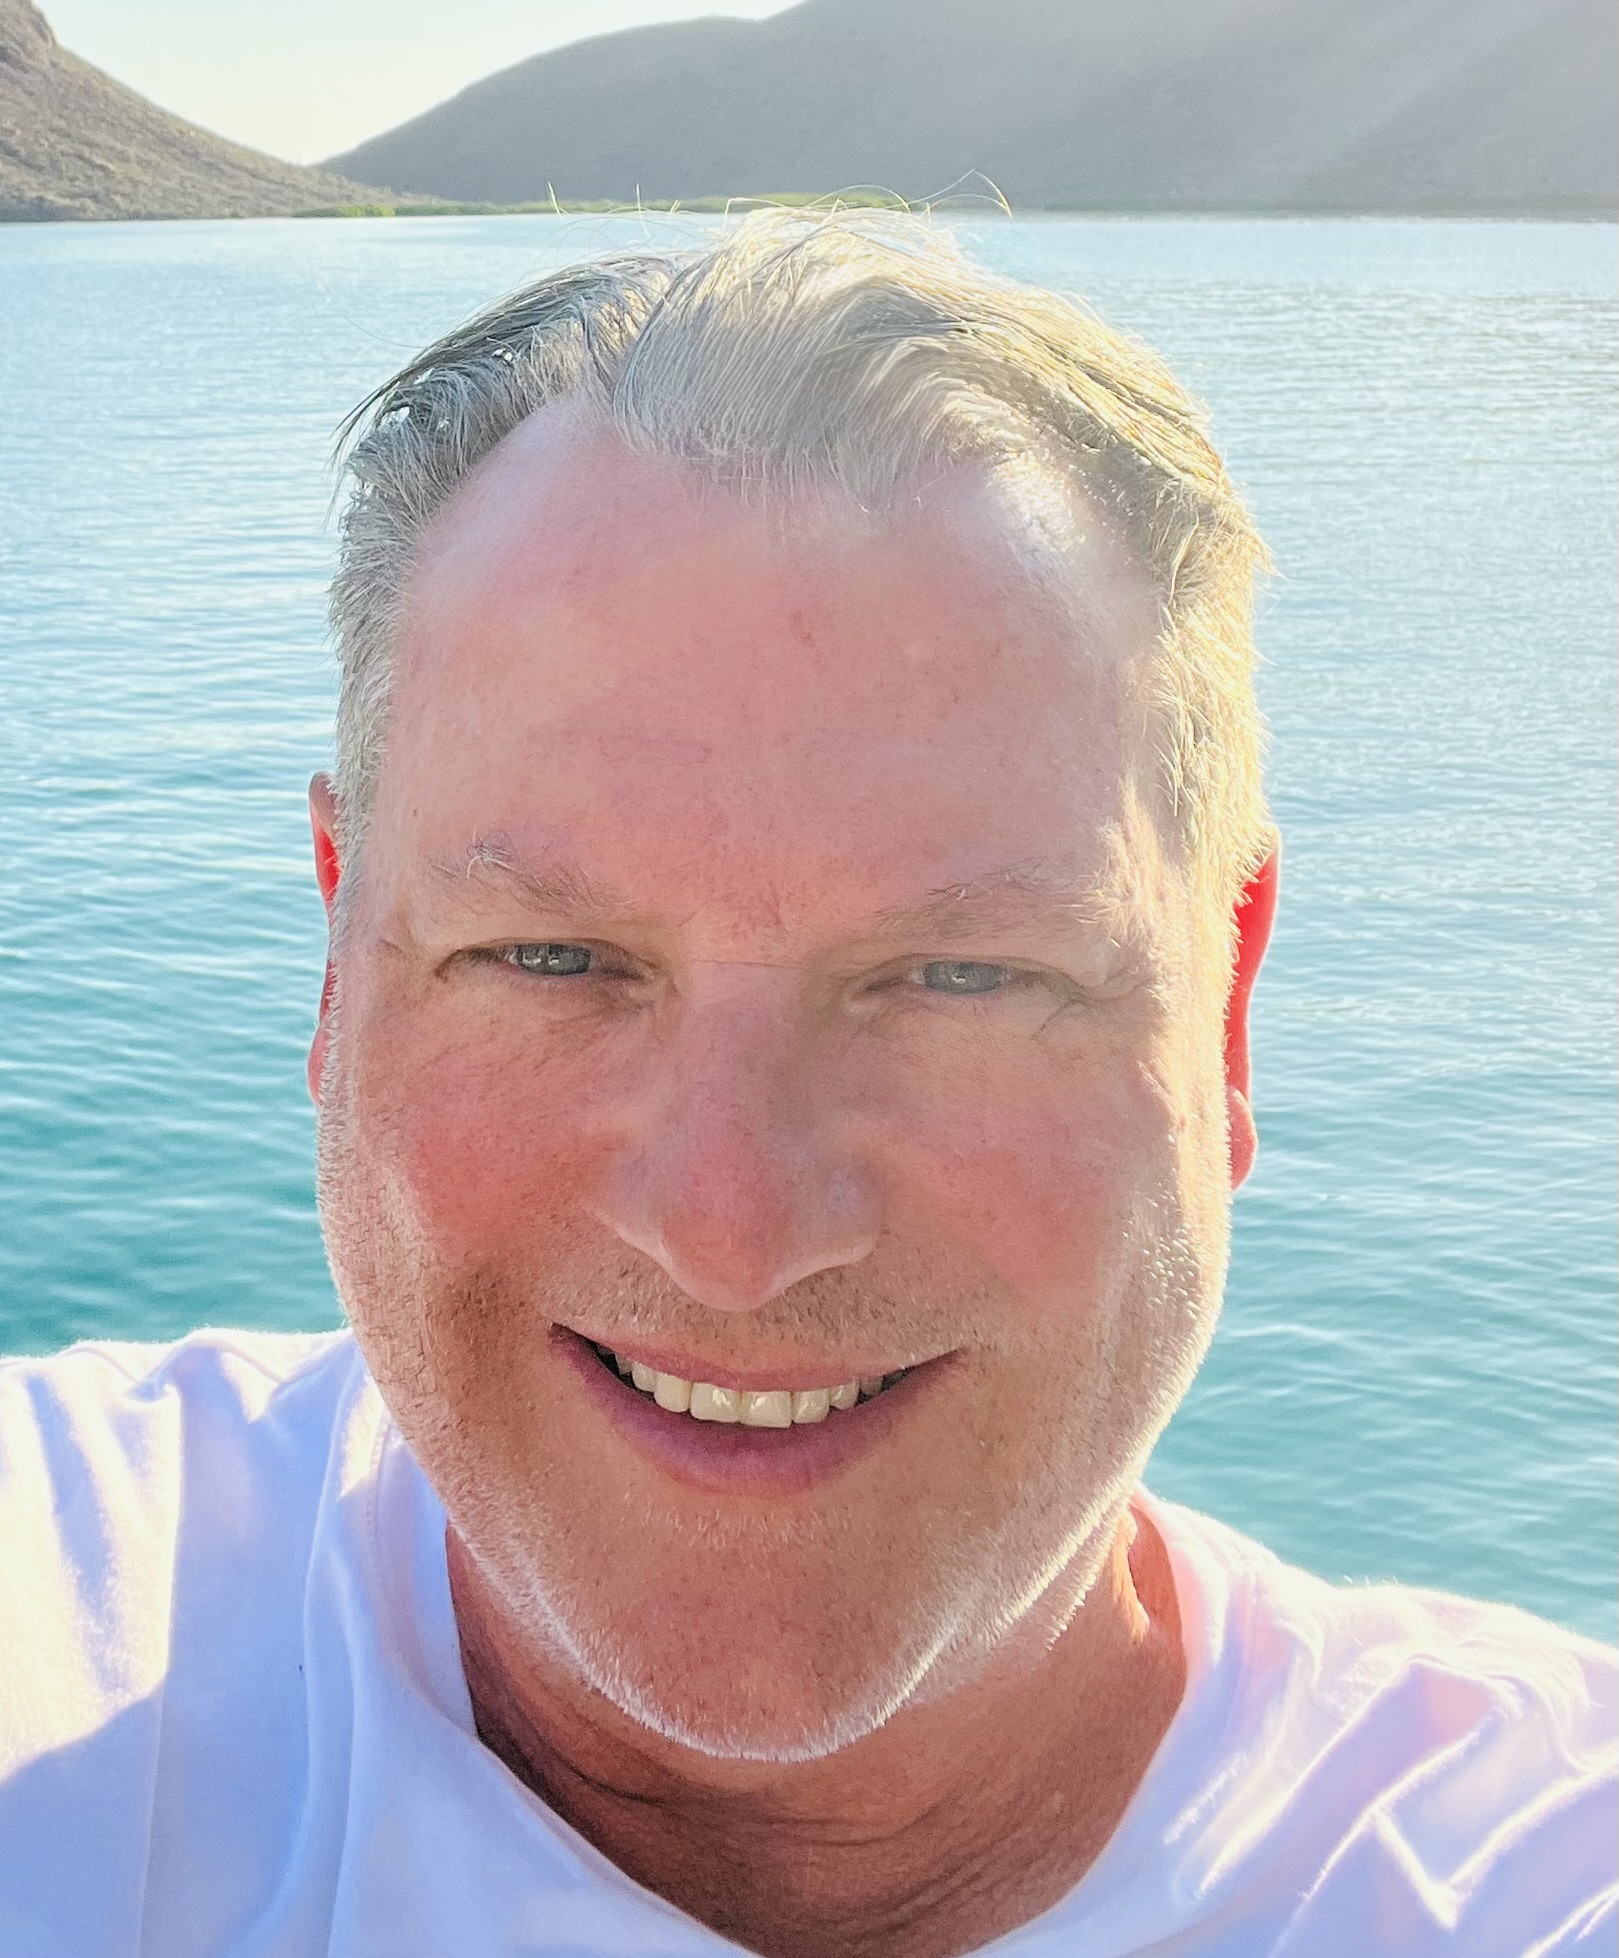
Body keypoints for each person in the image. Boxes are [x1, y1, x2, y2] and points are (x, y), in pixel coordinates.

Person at [0, 213, 1612, 1958]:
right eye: (552, 957)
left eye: (961, 974)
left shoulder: (1531, 1874)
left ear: (1223, 1011)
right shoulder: (67, 1602)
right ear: (339, 960)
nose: (734, 1231)